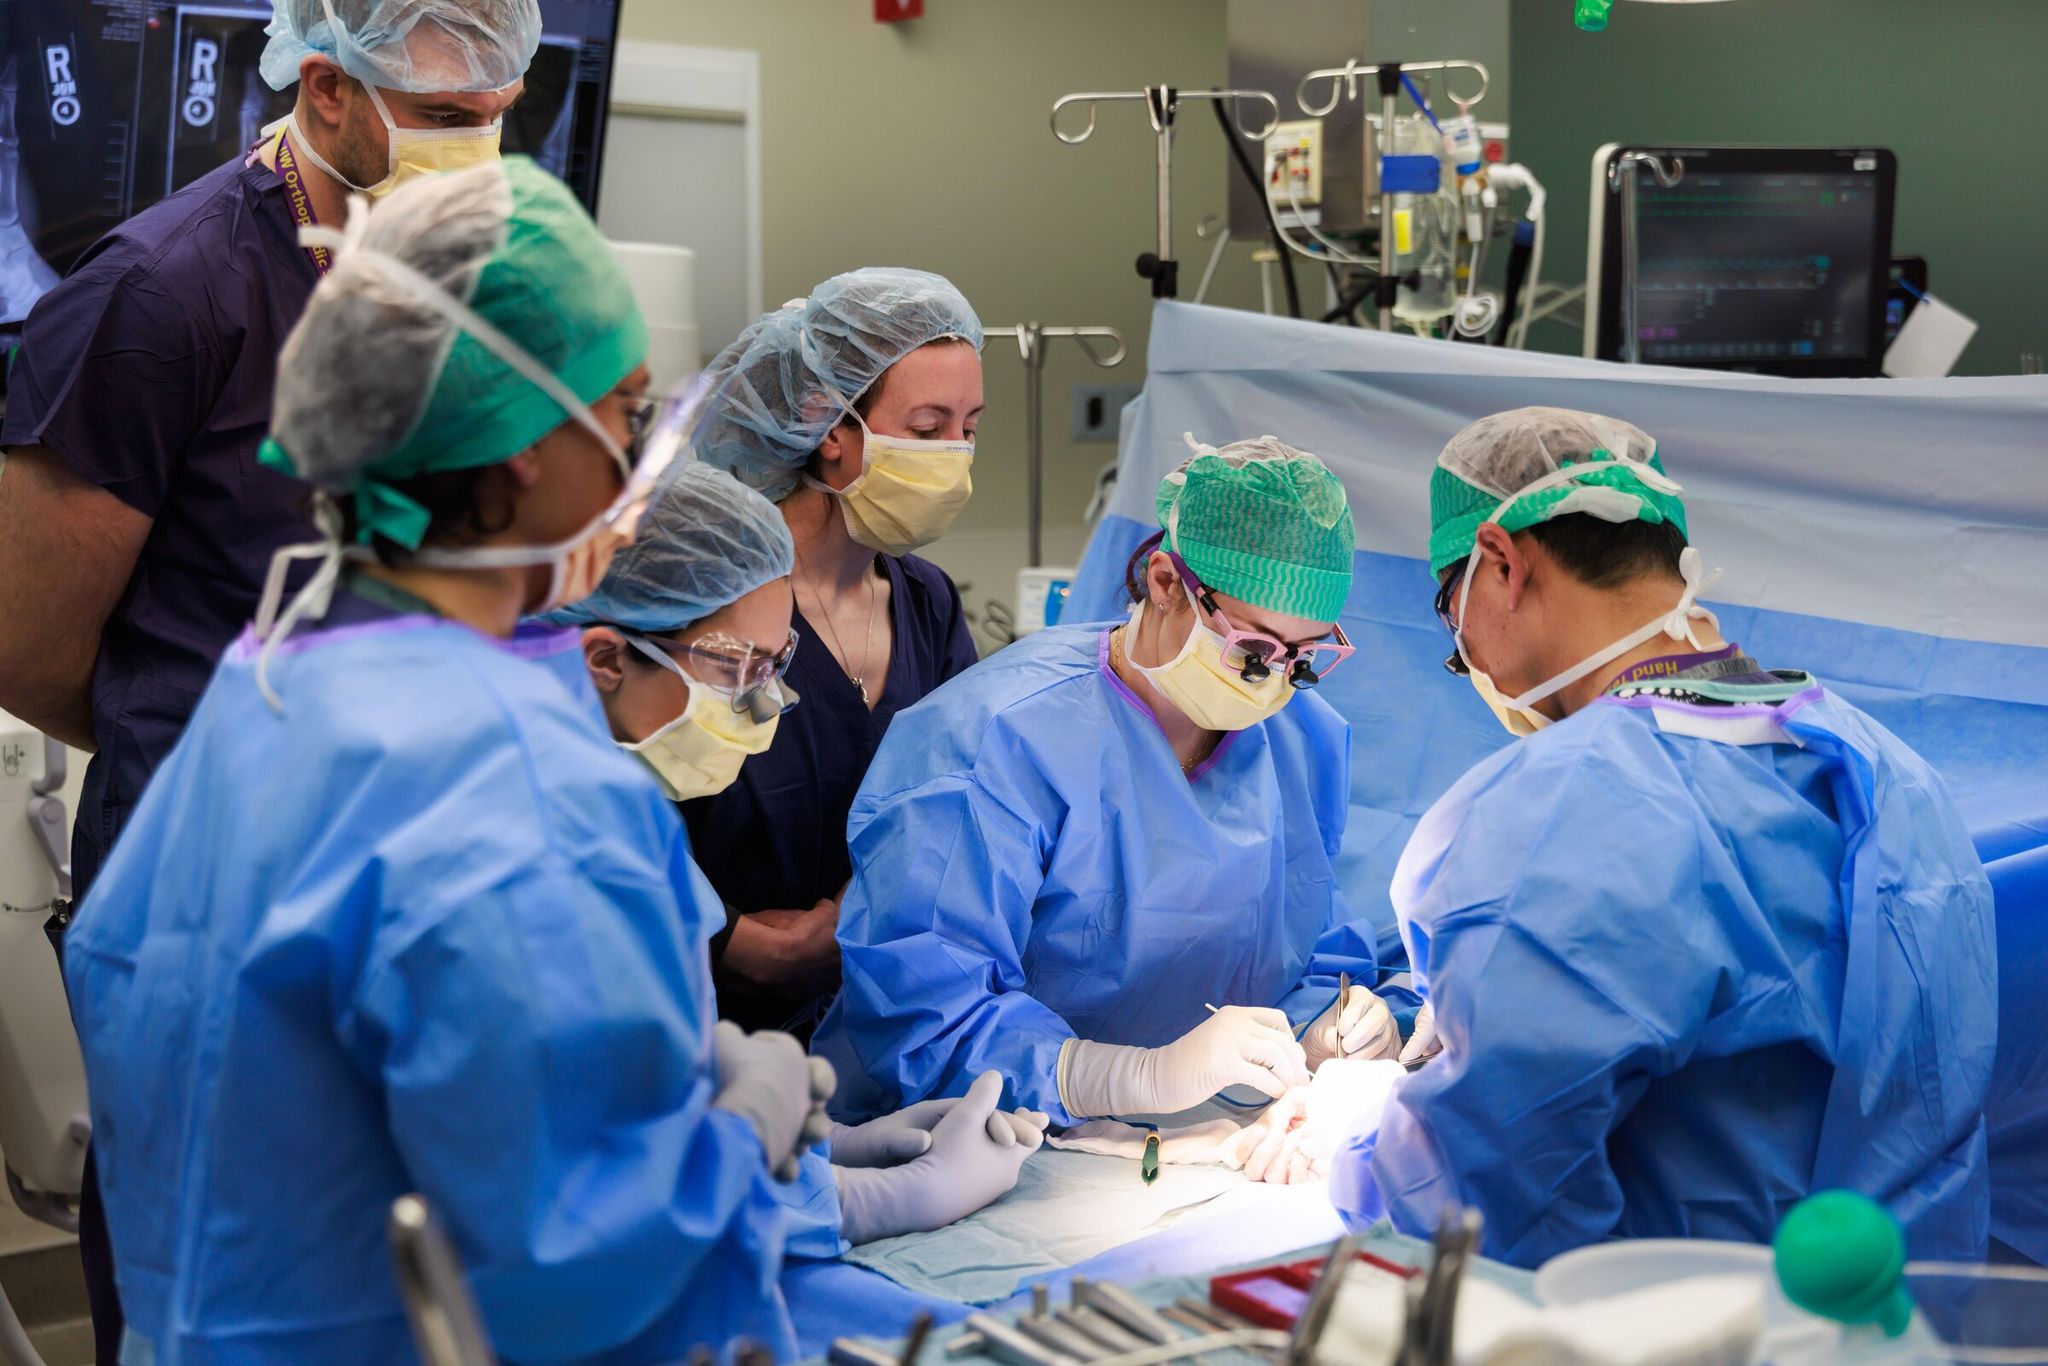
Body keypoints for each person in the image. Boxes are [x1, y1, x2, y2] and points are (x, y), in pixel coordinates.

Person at [61, 159, 1042, 1366]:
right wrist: (743, 1135)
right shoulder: (524, 778)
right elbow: (584, 1256)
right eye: (628, 418)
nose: (643, 467)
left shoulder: (251, 698)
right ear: (526, 451)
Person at [0, 8, 534, 1345]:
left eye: (503, 110)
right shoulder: (161, 294)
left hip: (403, 866)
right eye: (452, 116)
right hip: (209, 886)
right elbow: (29, 636)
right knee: (220, 1284)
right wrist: (227, 742)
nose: (486, 149)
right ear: (325, 90)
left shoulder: (450, 276)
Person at [1322, 407, 1997, 1267]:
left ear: (1499, 562)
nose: (1472, 666)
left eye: (1454, 625)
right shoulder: (1885, 767)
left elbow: (1482, 1197)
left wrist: (1362, 1139)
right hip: (1889, 1326)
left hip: (1666, 1333)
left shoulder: (1562, 803)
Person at [816, 436, 1413, 1129]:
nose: (1275, 683)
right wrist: (1130, 1077)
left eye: (1303, 659)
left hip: (1201, 1133)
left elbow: (1302, 937)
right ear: (1165, 584)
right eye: (1253, 651)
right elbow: (923, 1020)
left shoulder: (1295, 736)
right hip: (974, 1140)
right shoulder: (996, 740)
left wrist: (1329, 1022)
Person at [685, 269, 984, 1036]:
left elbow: (963, 799)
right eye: (925, 430)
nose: (955, 456)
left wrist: (866, 914)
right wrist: (723, 939)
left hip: (883, 1021)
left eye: (969, 427)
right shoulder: (704, 598)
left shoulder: (927, 603)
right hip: (711, 1019)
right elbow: (613, 806)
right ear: (832, 434)